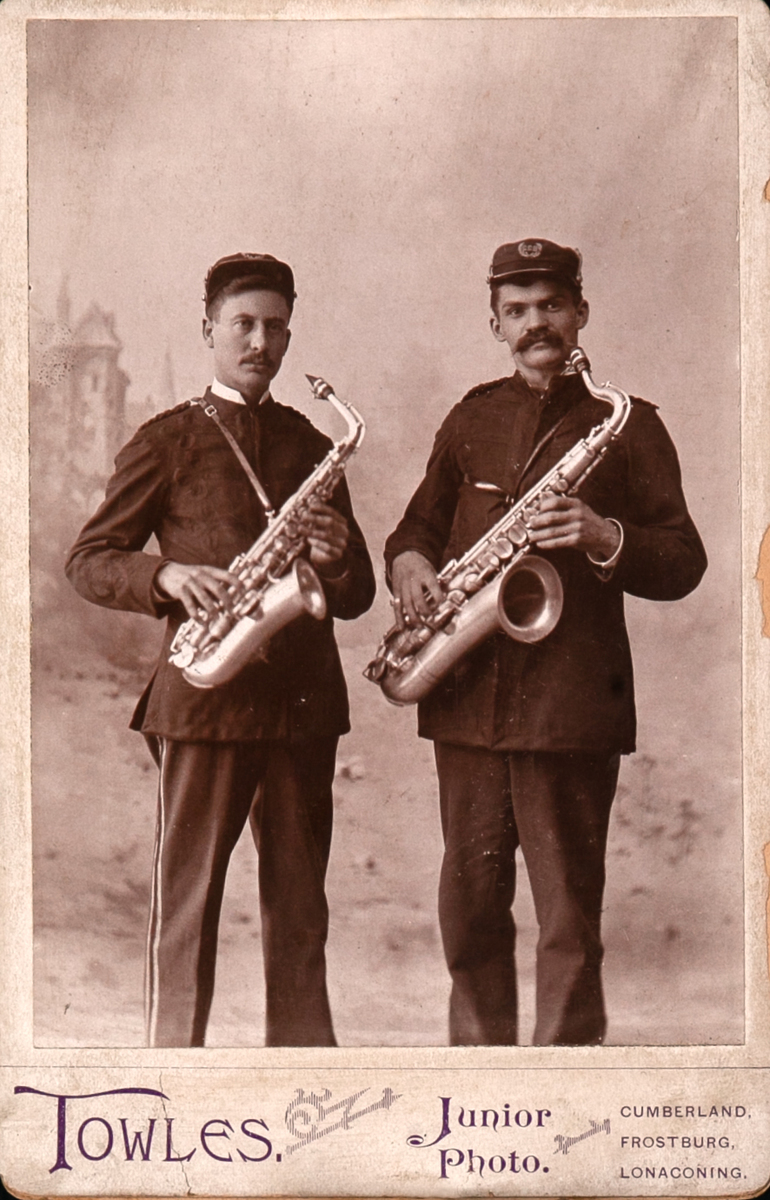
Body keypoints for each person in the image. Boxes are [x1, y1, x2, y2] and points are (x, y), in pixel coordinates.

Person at [384, 239, 707, 1046]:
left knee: (567, 915)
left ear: (581, 314)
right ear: (495, 323)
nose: (538, 324)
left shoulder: (627, 425)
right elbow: (414, 530)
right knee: (468, 910)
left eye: (552, 306)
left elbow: (684, 560)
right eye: (519, 310)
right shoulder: (470, 416)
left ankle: (568, 1083)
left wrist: (603, 534)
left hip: (568, 707)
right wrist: (413, 567)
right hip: (468, 695)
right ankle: (481, 1075)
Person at [66, 252, 375, 1048]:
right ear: (209, 331)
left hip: (302, 706)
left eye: (275, 327)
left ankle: (305, 1077)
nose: (260, 341)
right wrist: (166, 574)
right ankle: (172, 1080)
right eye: (243, 323)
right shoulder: (167, 439)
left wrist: (340, 557)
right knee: (187, 910)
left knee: (302, 915)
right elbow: (91, 559)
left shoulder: (311, 442)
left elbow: (359, 592)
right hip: (203, 698)